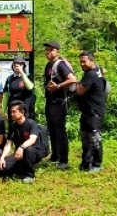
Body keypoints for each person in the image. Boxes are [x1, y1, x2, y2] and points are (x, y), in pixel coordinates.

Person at [43, 40, 77, 170]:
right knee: (52, 130)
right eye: (47, 50)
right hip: (50, 101)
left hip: (59, 102)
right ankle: (55, 156)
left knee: (60, 131)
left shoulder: (60, 64)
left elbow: (73, 79)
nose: (48, 52)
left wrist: (57, 86)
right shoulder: (48, 65)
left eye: (51, 50)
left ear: (57, 51)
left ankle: (64, 160)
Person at [74, 50, 107, 173]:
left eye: (84, 62)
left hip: (94, 112)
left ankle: (97, 164)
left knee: (94, 139)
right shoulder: (97, 70)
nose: (82, 64)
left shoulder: (91, 74)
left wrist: (75, 83)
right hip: (88, 111)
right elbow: (103, 70)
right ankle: (86, 163)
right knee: (85, 138)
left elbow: (79, 91)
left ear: (92, 60)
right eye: (80, 62)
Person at [0, 100, 44, 183]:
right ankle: (21, 169)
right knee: (4, 166)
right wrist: (2, 158)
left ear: (22, 112)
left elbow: (32, 139)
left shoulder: (31, 123)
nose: (12, 114)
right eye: (11, 112)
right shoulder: (13, 126)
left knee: (29, 149)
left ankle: (30, 175)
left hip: (34, 152)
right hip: (19, 155)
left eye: (14, 112)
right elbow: (8, 144)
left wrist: (21, 147)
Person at [5, 55, 36, 121]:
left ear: (24, 66)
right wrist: (3, 110)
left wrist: (21, 72)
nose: (17, 65)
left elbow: (30, 87)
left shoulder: (29, 76)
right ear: (12, 66)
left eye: (20, 64)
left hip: (25, 111)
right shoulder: (9, 78)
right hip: (13, 110)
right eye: (15, 64)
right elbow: (6, 95)